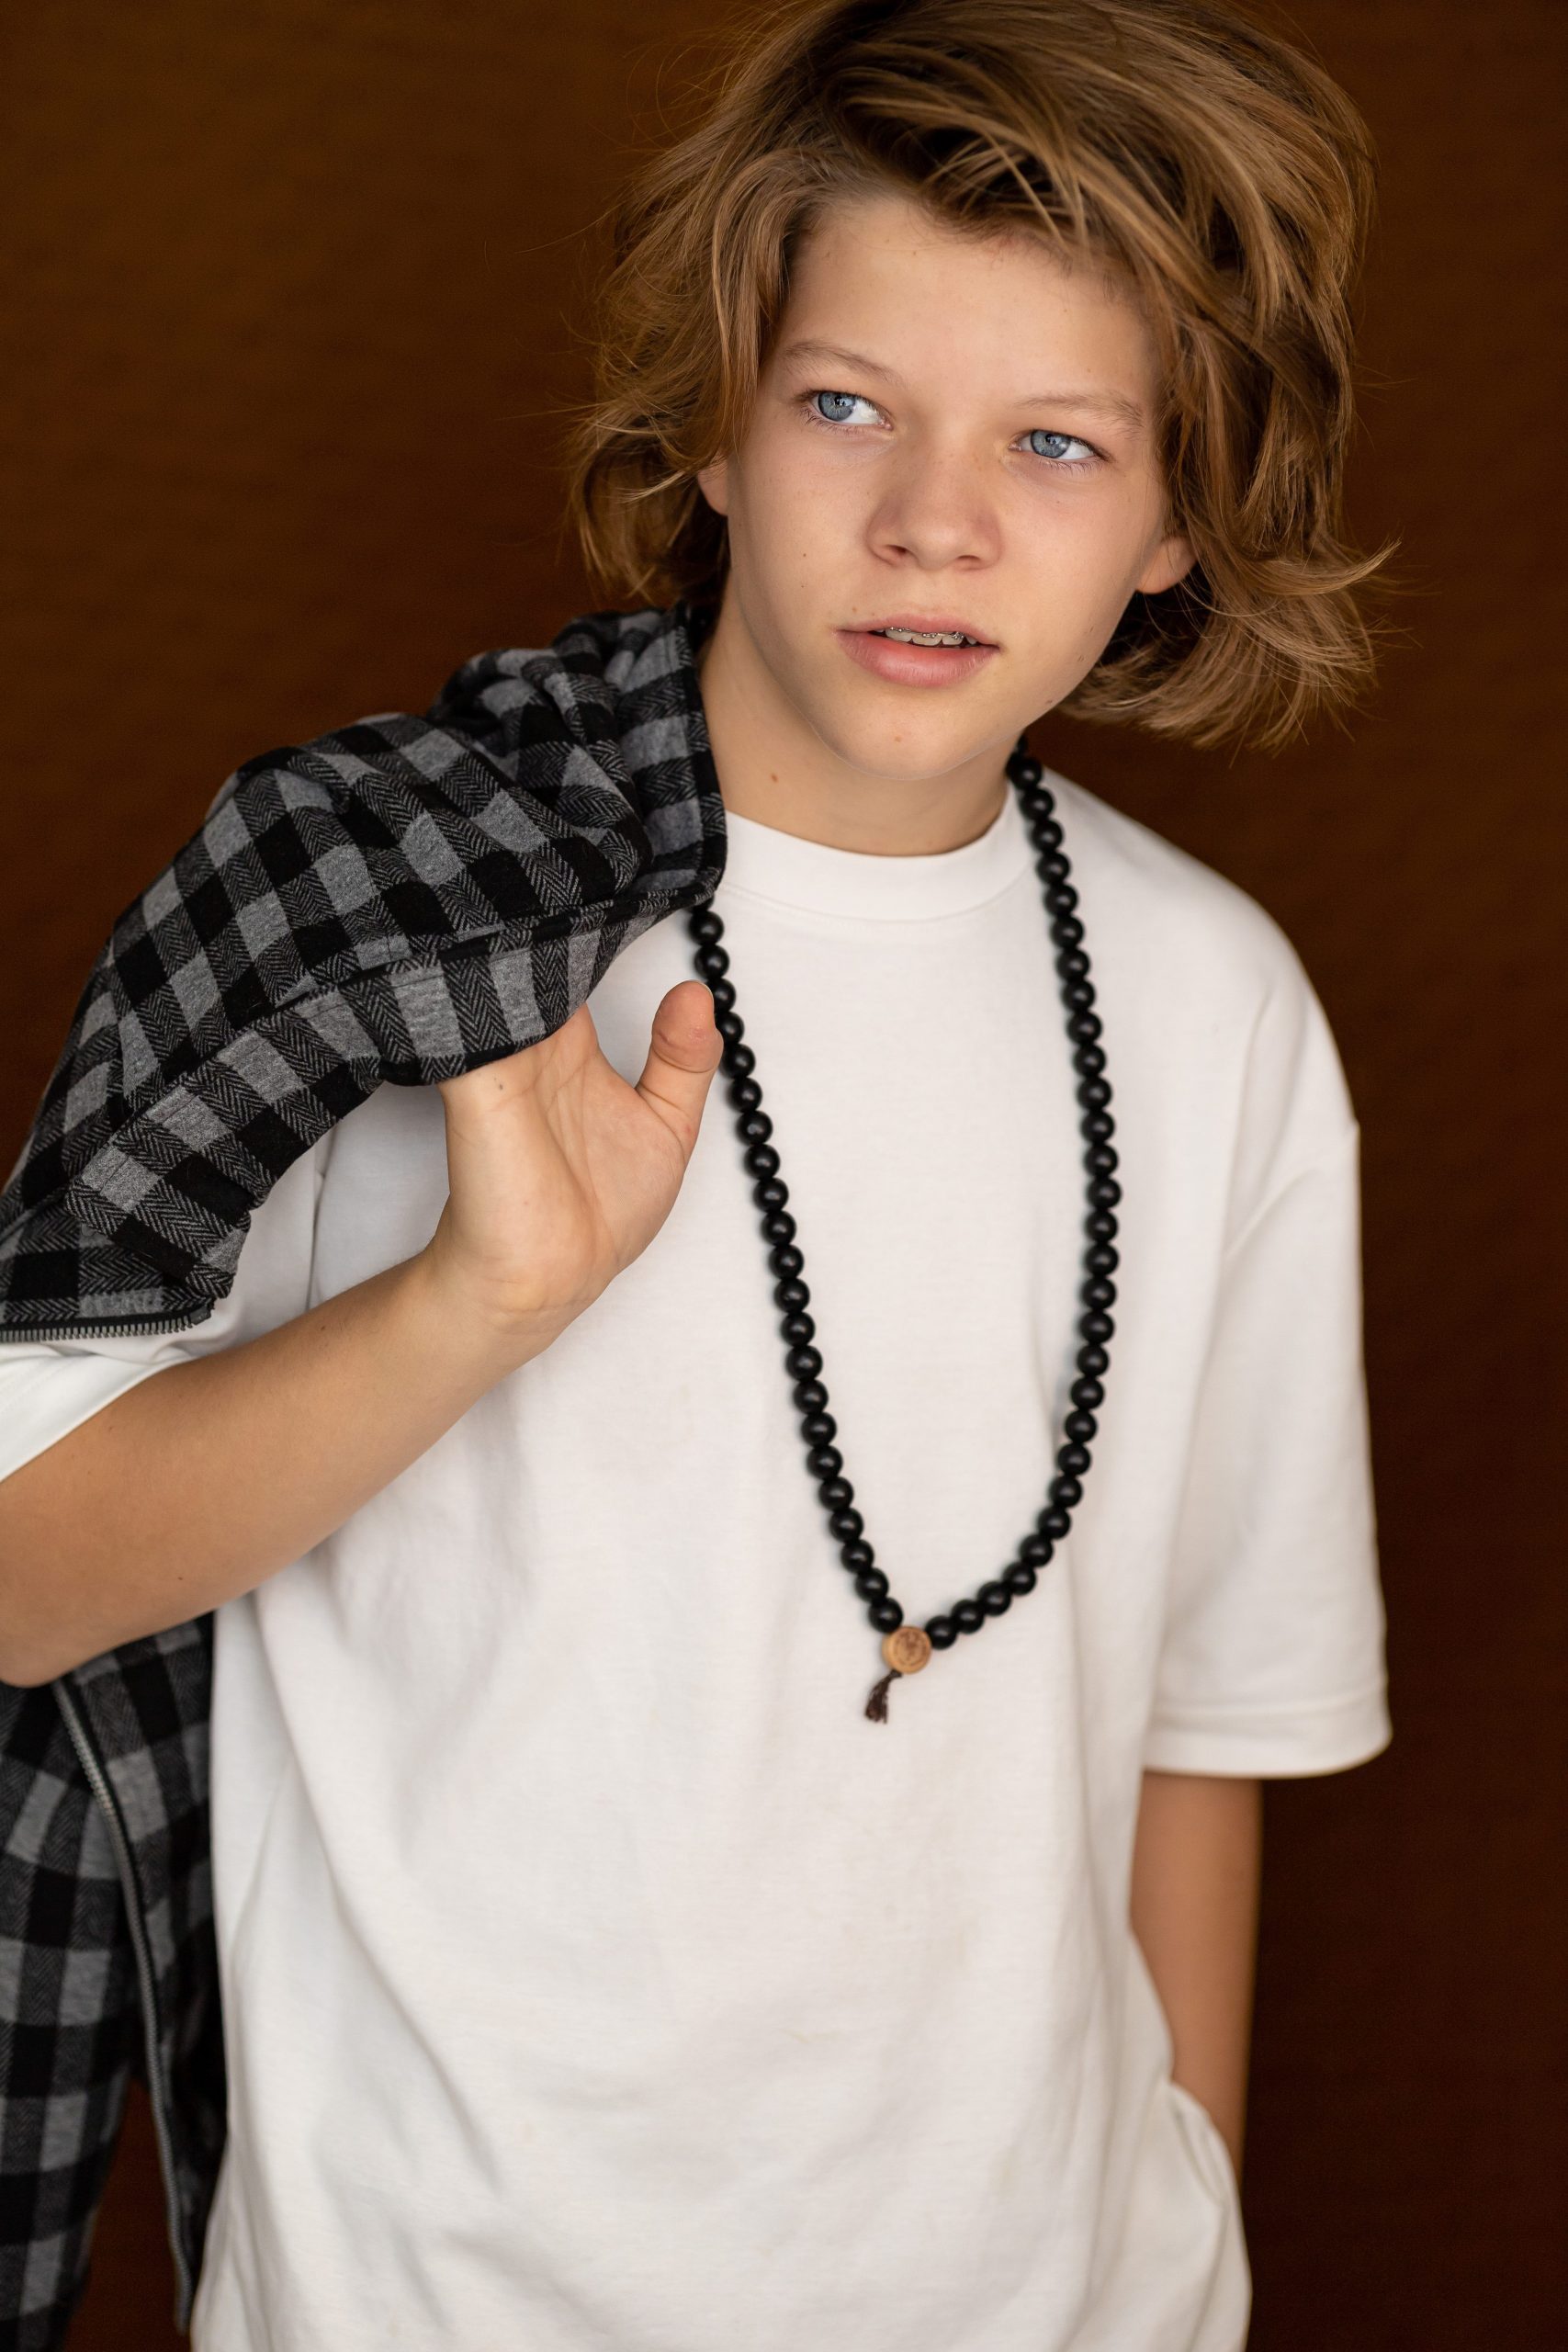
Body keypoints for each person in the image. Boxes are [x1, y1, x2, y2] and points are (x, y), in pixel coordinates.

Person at [0, 0, 1393, 2345]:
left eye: (1055, 441)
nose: (933, 518)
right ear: (720, 425)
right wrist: (474, 1305)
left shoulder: (1212, 1002)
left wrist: (1184, 2239)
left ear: (1175, 520)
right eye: (845, 403)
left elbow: (1197, 1732)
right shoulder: (408, 919)